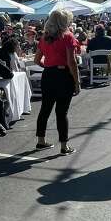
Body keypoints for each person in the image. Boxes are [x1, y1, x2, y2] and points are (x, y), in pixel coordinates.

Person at [34, 9, 80, 154]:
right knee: (61, 112)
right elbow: (71, 62)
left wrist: (48, 67)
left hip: (48, 75)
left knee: (45, 109)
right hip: (63, 75)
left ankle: (41, 141)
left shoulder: (44, 37)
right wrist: (77, 82)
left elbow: (36, 60)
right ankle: (64, 146)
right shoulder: (68, 36)